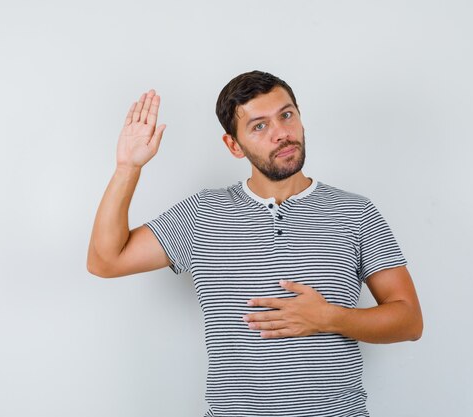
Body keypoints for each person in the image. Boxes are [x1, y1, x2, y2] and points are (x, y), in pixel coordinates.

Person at [87, 70, 423, 417]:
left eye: (286, 115)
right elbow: (106, 261)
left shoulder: (354, 212)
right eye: (259, 126)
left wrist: (330, 317)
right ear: (234, 145)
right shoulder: (204, 212)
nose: (281, 133)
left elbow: (409, 320)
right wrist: (127, 168)